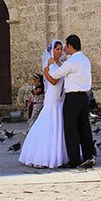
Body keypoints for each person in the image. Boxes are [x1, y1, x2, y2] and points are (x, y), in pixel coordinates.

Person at [46, 34, 95, 169]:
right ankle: (89, 155)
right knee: (84, 127)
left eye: (65, 46)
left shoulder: (71, 62)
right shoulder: (85, 60)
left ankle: (74, 160)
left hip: (72, 98)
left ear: (70, 46)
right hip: (84, 97)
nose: (64, 50)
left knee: (71, 129)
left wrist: (50, 65)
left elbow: (56, 75)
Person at [19, 39, 68, 168]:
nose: (59, 51)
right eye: (56, 49)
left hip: (60, 97)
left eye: (60, 49)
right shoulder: (49, 63)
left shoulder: (62, 63)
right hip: (52, 96)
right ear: (52, 51)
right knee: (49, 121)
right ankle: (45, 155)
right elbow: (53, 81)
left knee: (60, 124)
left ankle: (61, 153)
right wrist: (47, 70)